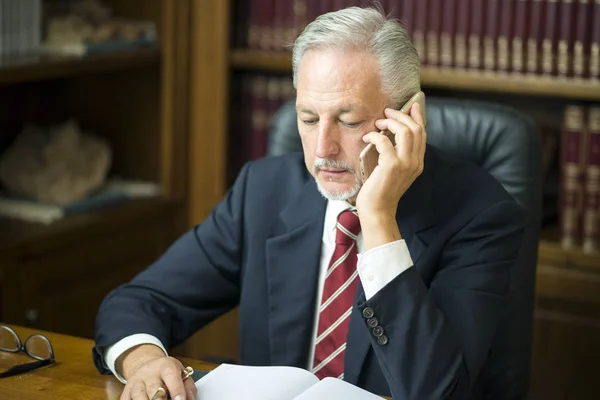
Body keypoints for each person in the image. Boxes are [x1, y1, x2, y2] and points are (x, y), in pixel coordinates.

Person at [93, 6, 525, 400]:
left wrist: (377, 219)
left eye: (349, 120)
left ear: (408, 118)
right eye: (308, 118)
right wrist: (146, 361)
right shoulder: (263, 190)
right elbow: (137, 301)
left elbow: (438, 392)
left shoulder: (481, 215)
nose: (323, 148)